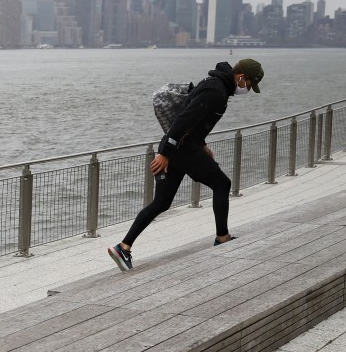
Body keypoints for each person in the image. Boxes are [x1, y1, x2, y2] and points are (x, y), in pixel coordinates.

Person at [108, 58, 265, 272]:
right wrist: (165, 154)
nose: (247, 89)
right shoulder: (215, 90)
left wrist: (202, 144)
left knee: (162, 202)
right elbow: (183, 120)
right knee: (222, 184)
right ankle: (222, 237)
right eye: (248, 84)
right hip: (181, 150)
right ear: (240, 77)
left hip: (182, 147)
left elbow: (197, 122)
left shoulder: (217, 86)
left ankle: (123, 248)